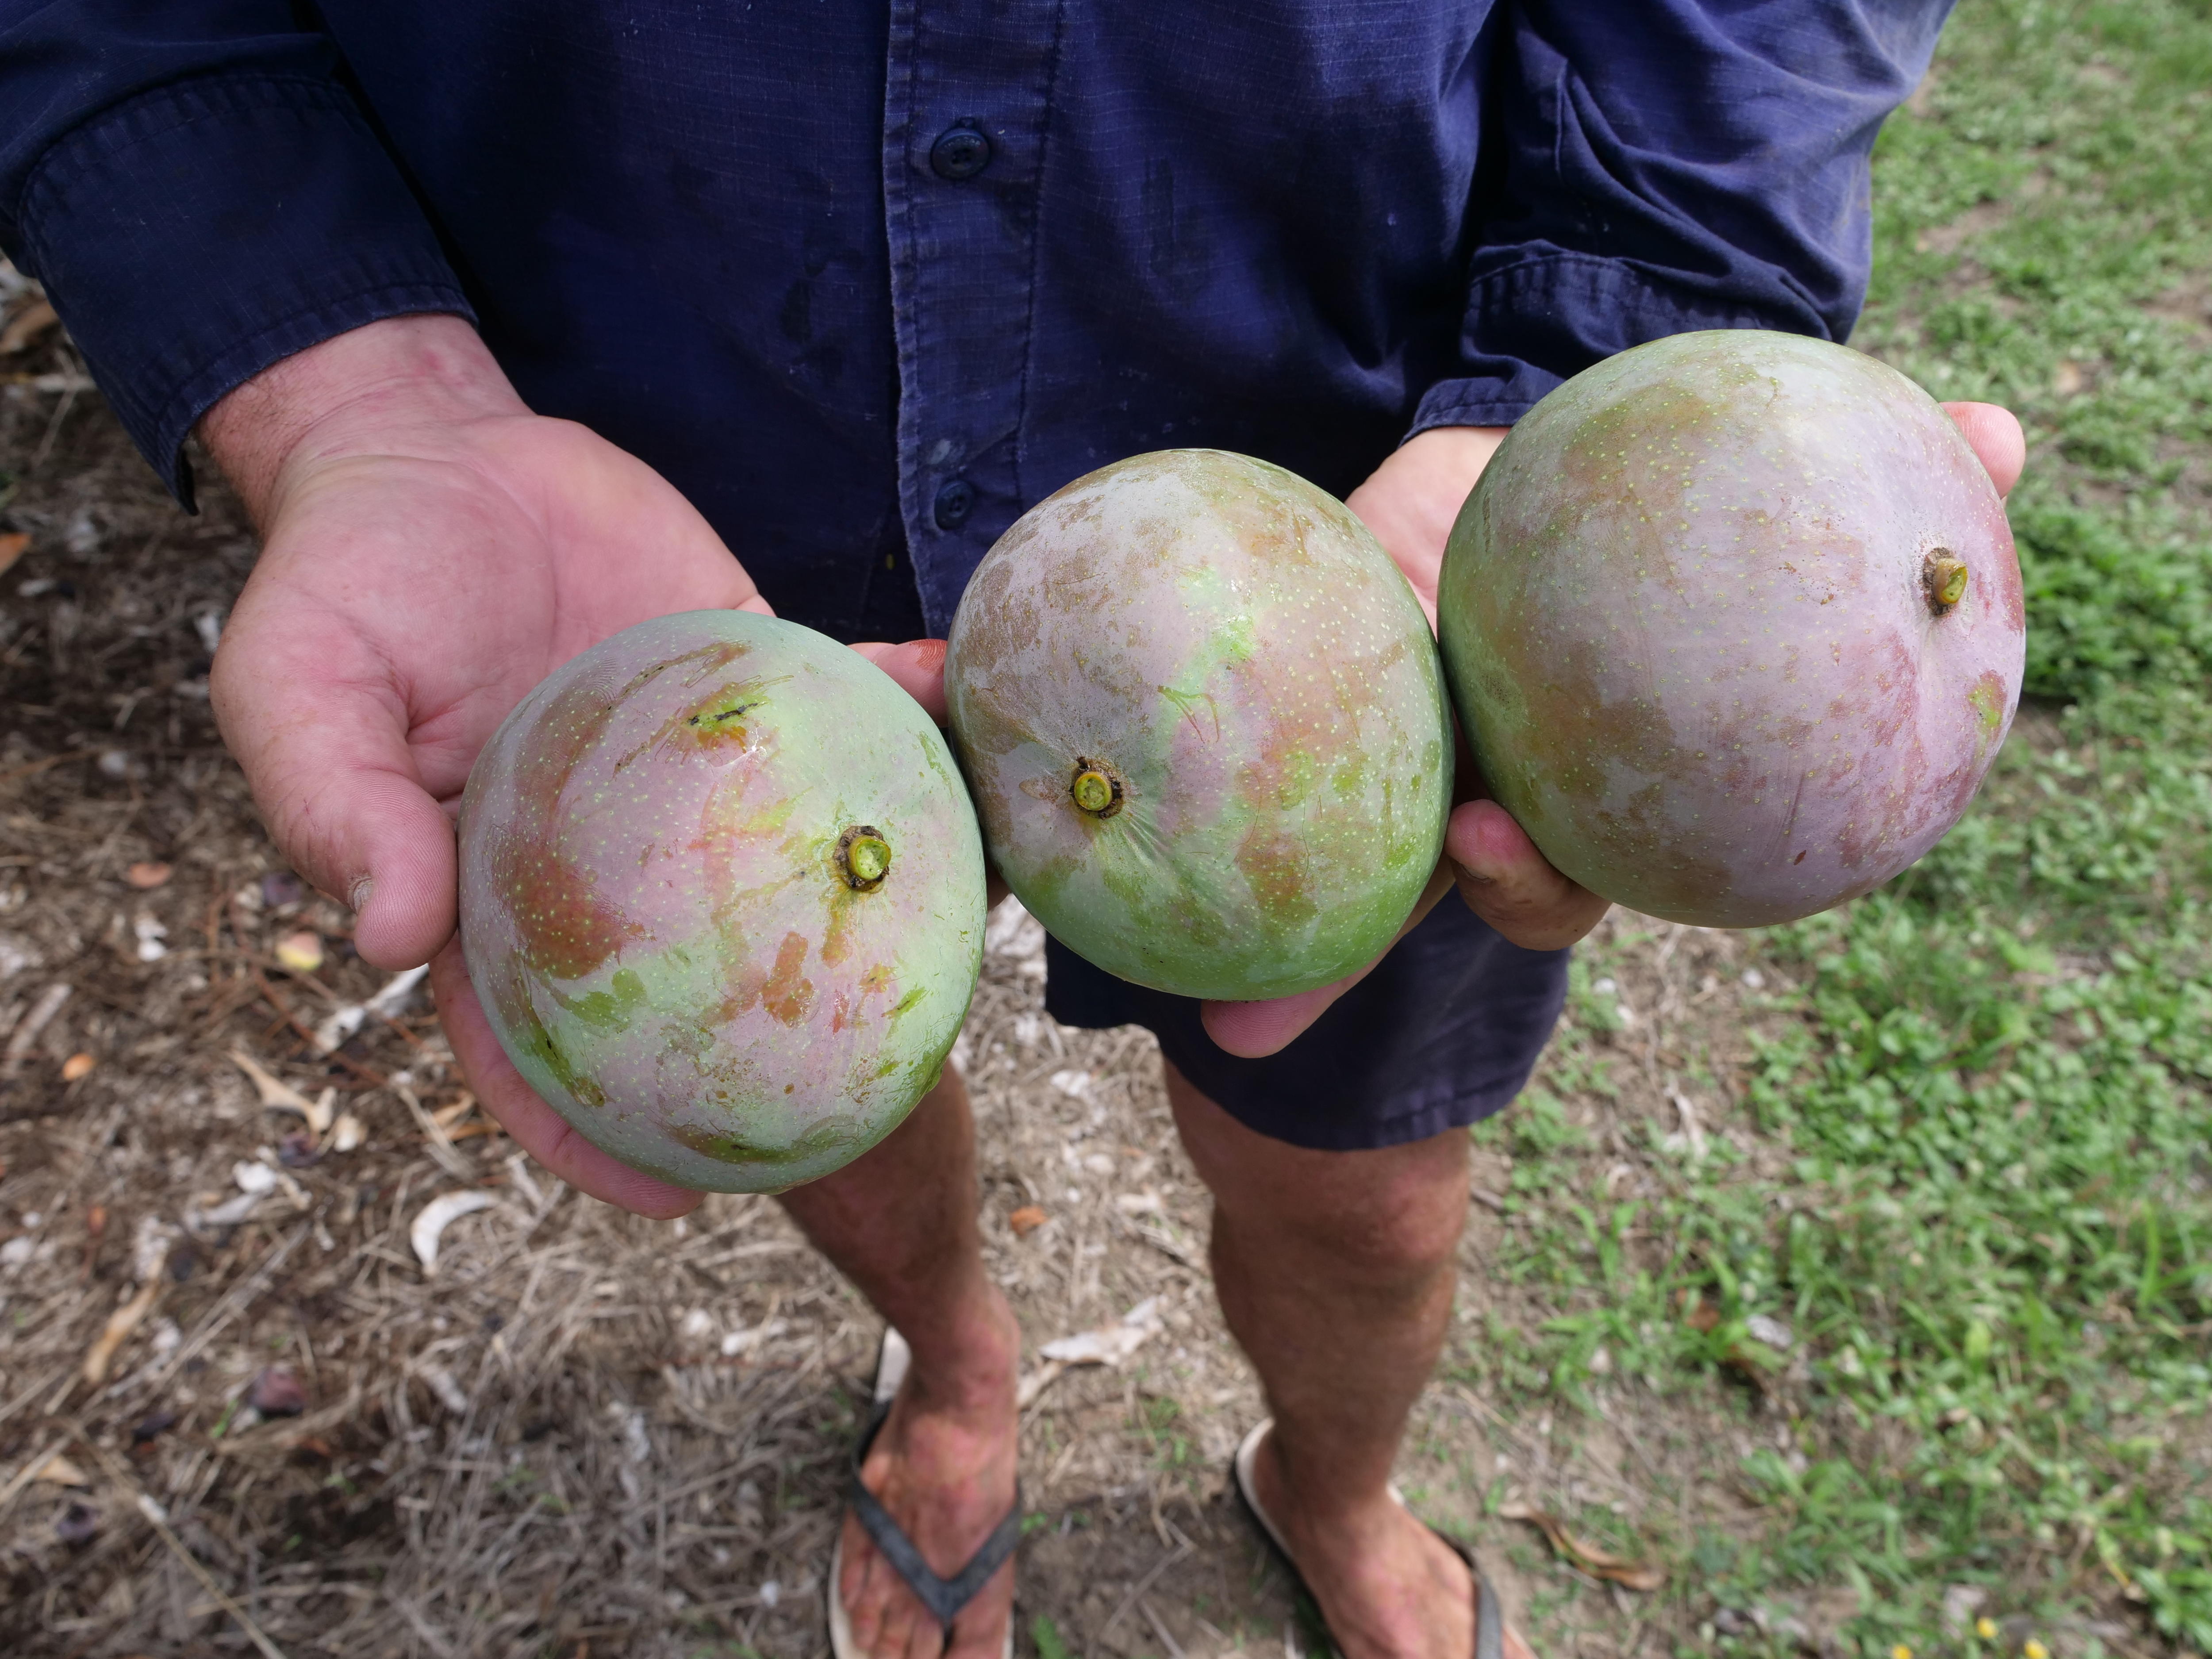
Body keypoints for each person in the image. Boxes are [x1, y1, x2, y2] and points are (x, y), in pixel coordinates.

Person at [0, 4, 2023, 1655]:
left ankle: (1328, 1482)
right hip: (653, 453)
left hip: (1370, 511)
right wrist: (359, 394)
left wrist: (1593, 369)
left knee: (1364, 1177)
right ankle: (955, 1371)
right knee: (809, 1041)